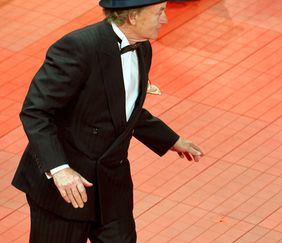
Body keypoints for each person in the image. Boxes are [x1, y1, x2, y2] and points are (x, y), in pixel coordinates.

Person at [11, 0, 204, 242]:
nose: (165, 20)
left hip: (112, 187)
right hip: (67, 189)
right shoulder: (78, 47)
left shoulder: (142, 47)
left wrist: (171, 139)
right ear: (133, 16)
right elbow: (35, 111)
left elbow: (122, 109)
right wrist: (59, 170)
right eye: (159, 12)